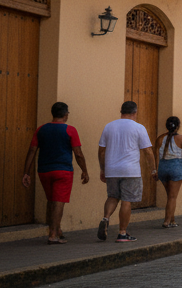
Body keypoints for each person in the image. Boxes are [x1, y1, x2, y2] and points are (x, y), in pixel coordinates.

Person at [21, 101, 90, 244]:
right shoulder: (70, 130)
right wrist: (84, 170)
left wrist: (26, 172)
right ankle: (53, 235)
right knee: (59, 202)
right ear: (66, 115)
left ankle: (57, 230)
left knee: (51, 200)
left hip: (44, 171)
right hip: (63, 171)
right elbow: (78, 153)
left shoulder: (41, 129)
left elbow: (32, 150)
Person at [97, 101, 155, 243]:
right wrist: (153, 169)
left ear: (121, 112)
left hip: (112, 169)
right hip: (131, 171)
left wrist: (103, 168)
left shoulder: (109, 126)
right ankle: (122, 233)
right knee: (126, 201)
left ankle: (106, 218)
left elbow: (101, 151)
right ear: (135, 113)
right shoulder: (139, 127)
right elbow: (147, 150)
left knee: (112, 197)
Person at [154, 116, 182, 229]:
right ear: (177, 126)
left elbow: (156, 156)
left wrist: (155, 170)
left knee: (170, 196)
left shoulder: (160, 138)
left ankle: (172, 220)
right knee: (172, 197)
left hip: (163, 168)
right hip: (176, 168)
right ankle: (167, 221)